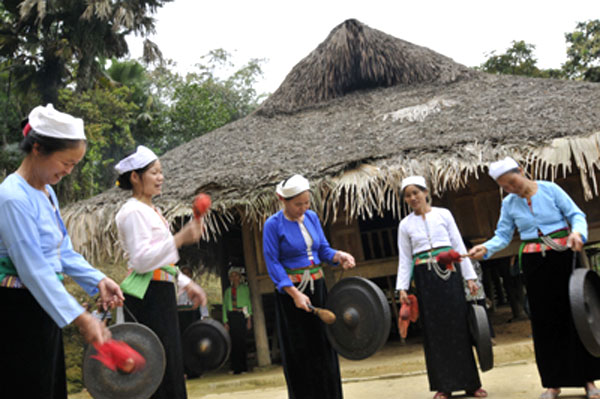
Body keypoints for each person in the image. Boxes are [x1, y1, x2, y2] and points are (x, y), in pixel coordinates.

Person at [0, 104, 124, 399]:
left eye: (74, 165)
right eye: (66, 162)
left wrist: (98, 280)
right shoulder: (12, 197)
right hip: (17, 310)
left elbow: (62, 251)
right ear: (38, 149)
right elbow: (33, 269)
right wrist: (82, 318)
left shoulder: (46, 192)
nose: (68, 171)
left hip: (42, 307)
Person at [468, 157, 600, 399]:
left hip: (562, 257)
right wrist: (486, 248)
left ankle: (588, 381)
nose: (511, 189)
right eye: (505, 186)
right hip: (533, 262)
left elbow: (576, 215)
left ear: (521, 171)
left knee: (575, 316)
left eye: (512, 182)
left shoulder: (550, 189)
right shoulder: (509, 204)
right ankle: (552, 382)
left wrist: (577, 233)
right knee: (544, 322)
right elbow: (503, 235)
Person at [114, 145, 207, 399]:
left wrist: (187, 283)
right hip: (148, 295)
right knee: (156, 368)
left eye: (161, 172)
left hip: (161, 291)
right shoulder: (132, 212)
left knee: (170, 364)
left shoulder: (153, 211)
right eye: (154, 172)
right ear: (135, 177)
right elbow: (142, 261)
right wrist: (180, 238)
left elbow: (163, 263)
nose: (160, 178)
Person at [263, 174, 356, 399]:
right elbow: (272, 262)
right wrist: (293, 293)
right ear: (282, 200)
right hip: (292, 296)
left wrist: (339, 255)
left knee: (325, 348)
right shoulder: (273, 225)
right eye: (298, 204)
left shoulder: (312, 217)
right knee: (300, 353)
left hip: (318, 288)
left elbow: (322, 250)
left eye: (306, 202)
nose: (303, 208)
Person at [395, 176, 487, 399]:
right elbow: (405, 258)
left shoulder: (444, 214)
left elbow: (457, 244)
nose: (413, 198)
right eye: (408, 195)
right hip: (425, 278)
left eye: (416, 192)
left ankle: (471, 383)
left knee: (459, 326)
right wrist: (402, 288)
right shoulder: (405, 224)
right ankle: (443, 386)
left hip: (449, 273)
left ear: (426, 192)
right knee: (434, 331)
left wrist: (470, 278)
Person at [463, 239, 496, 345]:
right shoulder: (468, 261)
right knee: (478, 316)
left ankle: (487, 337)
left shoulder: (470, 261)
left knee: (479, 316)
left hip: (473, 292)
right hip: (474, 292)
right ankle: (483, 338)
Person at [222, 266, 253, 374]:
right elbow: (225, 307)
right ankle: (234, 367)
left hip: (241, 315)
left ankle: (243, 367)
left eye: (236, 275)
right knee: (233, 342)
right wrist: (225, 321)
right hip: (232, 316)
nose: (234, 278)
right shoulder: (227, 291)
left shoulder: (245, 289)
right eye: (232, 276)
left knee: (242, 342)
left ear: (240, 277)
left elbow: (248, 304)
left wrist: (249, 319)